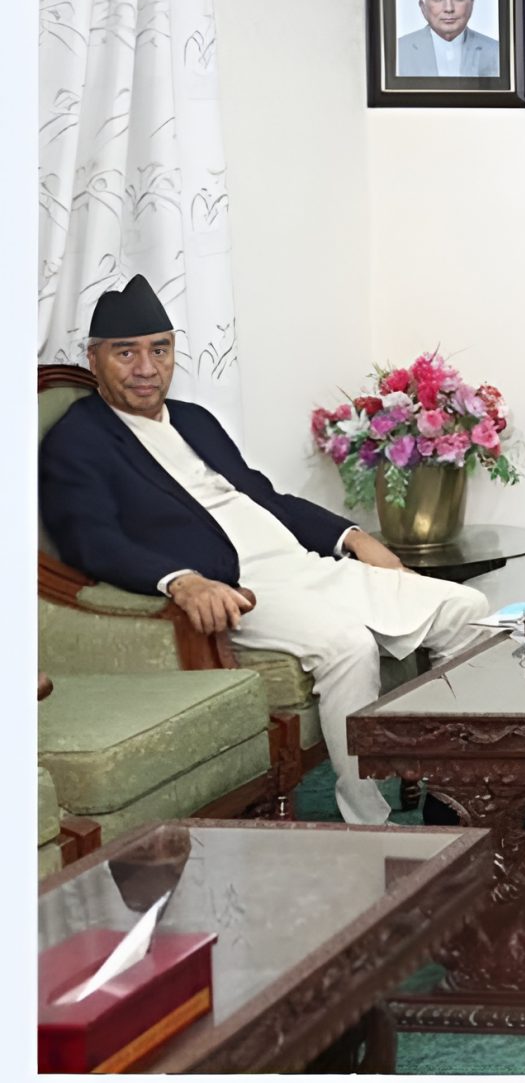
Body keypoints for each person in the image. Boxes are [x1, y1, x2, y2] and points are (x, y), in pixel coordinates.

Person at [39, 276, 492, 825]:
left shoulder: (194, 420)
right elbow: (91, 540)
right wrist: (180, 580)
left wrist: (355, 538)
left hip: (304, 566)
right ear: (94, 360)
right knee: (347, 646)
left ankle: (454, 796)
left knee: (468, 611)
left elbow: (265, 496)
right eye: (125, 353)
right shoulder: (77, 440)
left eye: (159, 349)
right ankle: (369, 823)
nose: (146, 368)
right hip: (241, 589)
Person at [393, 0, 500, 78]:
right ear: (423, 7)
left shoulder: (496, 51)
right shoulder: (398, 51)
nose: (449, 8)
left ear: (471, 5)